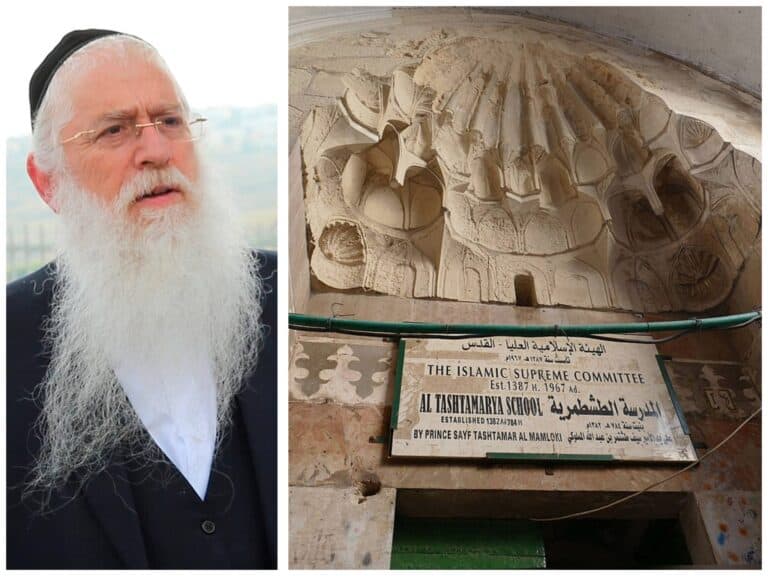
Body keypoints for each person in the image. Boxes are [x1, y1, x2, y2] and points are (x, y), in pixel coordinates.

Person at [7, 29, 276, 569]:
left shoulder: (282, 297)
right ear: (48, 183)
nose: (156, 151)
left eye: (171, 121)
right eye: (113, 130)